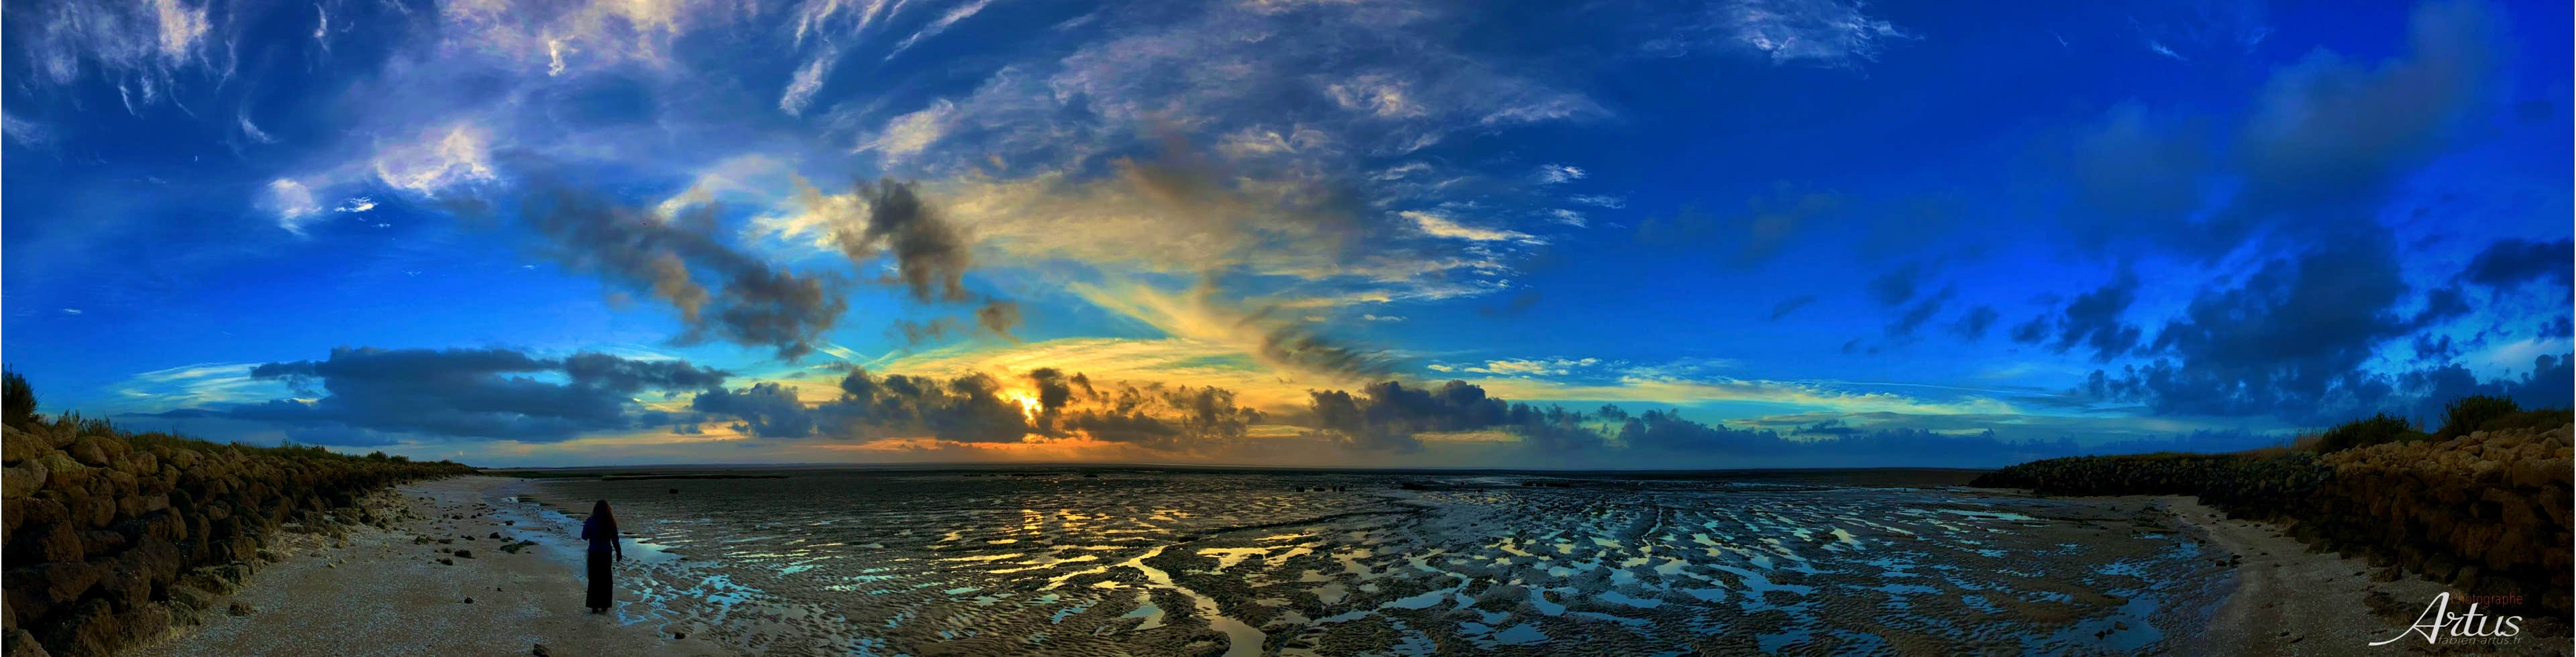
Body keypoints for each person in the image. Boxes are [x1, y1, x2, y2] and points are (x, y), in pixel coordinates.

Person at [578, 499, 623, 613]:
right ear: (608, 510)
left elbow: (584, 536)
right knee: (606, 579)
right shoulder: (611, 522)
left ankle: (594, 606)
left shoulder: (590, 521)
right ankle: (604, 605)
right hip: (606, 554)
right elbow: (615, 539)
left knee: (594, 579)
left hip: (594, 553)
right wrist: (619, 552)